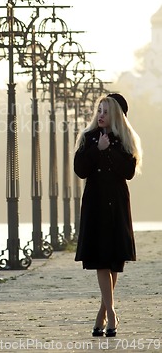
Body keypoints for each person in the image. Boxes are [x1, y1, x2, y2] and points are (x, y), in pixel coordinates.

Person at [74, 93, 142, 338]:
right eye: (99, 110)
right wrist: (96, 150)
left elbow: (129, 172)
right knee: (101, 259)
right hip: (95, 204)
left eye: (105, 111)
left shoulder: (125, 140)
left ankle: (101, 314)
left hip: (117, 205)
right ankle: (111, 315)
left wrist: (109, 150)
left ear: (115, 116)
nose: (100, 115)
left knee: (115, 260)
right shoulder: (88, 137)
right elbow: (80, 170)